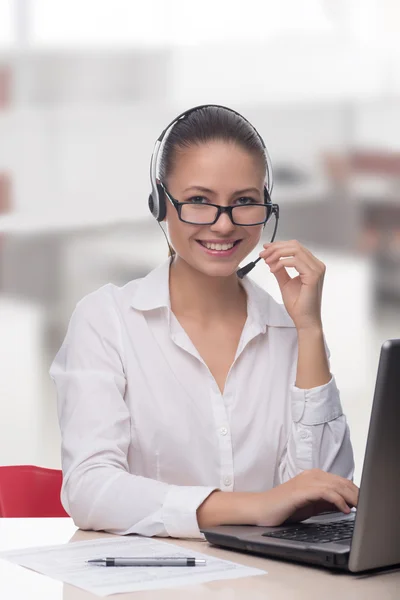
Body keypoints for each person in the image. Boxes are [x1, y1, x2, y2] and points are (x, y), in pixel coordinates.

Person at [50, 105, 357, 539]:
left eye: (245, 202)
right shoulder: (108, 321)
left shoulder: (293, 332)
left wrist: (309, 330)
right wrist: (257, 506)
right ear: (160, 203)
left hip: (272, 585)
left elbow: (327, 497)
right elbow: (90, 489)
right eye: (198, 200)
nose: (224, 224)